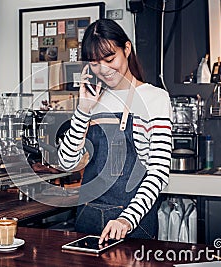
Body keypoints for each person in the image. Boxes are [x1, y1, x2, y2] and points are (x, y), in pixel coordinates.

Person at [57, 19, 172, 244]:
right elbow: (66, 163)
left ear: (127, 49)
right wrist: (83, 109)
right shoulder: (92, 99)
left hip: (133, 225)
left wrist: (126, 219)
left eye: (110, 59)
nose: (104, 70)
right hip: (87, 220)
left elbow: (158, 171)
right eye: (95, 63)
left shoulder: (154, 98)